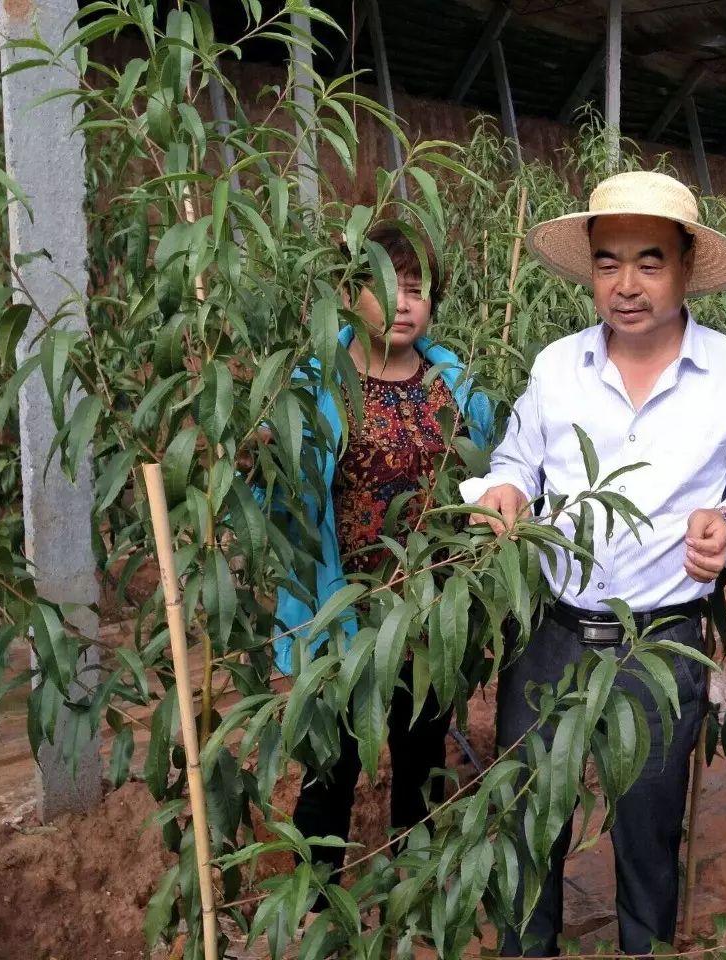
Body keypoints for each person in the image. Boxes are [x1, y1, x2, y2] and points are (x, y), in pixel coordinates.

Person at [460, 170, 726, 956]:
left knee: (648, 821)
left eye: (649, 261)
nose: (627, 284)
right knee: (530, 814)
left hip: (660, 642)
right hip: (555, 632)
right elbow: (517, 460)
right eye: (609, 262)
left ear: (684, 267)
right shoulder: (556, 369)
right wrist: (503, 492)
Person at [267, 224, 493, 897]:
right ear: (349, 292)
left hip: (428, 617)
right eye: (386, 286)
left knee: (421, 758)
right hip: (340, 613)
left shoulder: (453, 382)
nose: (403, 304)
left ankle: (412, 891)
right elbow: (278, 497)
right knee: (327, 766)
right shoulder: (315, 385)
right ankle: (317, 901)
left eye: (419, 291)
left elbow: (488, 475)